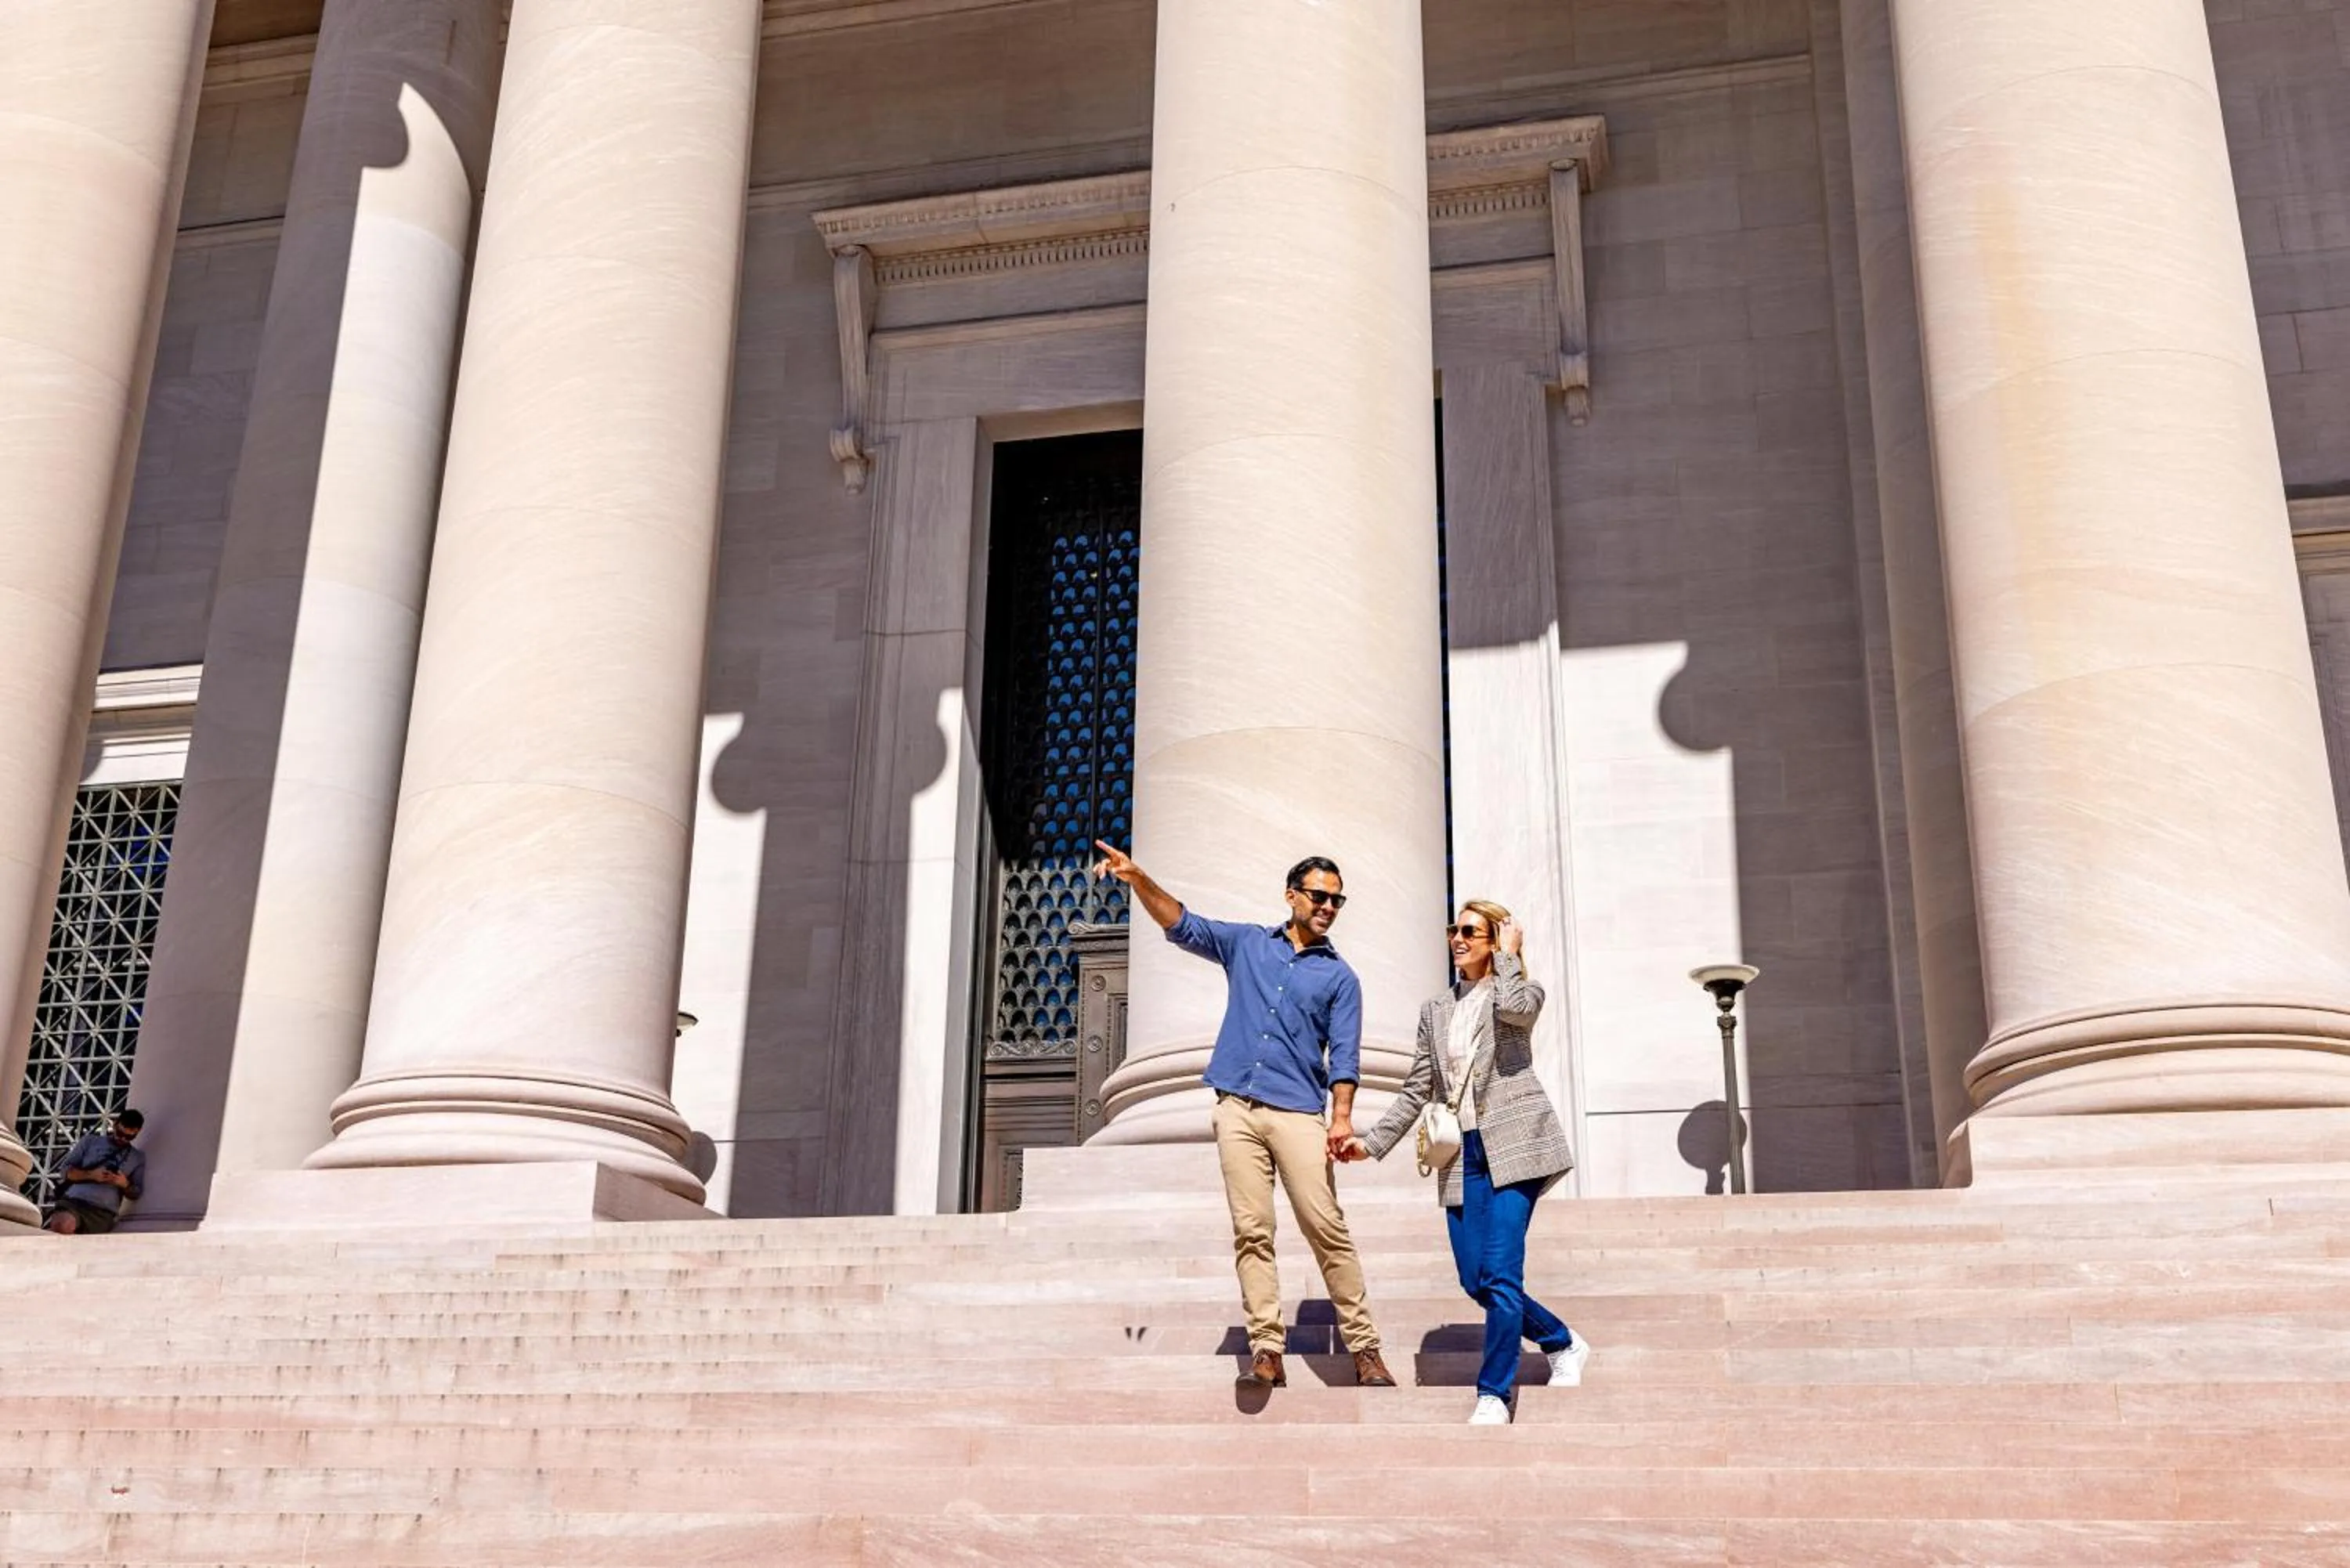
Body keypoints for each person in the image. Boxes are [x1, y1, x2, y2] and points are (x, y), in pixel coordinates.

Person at [1091, 840, 1397, 1391]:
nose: (1328, 907)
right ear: (1291, 896)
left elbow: (1345, 1056)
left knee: (1326, 1228)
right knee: (1252, 1231)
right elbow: (1186, 925)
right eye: (1320, 896)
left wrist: (1342, 1118)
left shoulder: (1340, 978)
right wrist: (1139, 880)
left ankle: (1365, 1349)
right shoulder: (1249, 945)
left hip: (1300, 1113)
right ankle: (1266, 1351)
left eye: (1337, 900)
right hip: (1236, 1108)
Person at [1342, 902, 1587, 1424]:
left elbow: (1519, 1011)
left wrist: (1511, 958)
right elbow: (1418, 1087)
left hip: (1516, 1148)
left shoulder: (1519, 989)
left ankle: (1493, 1393)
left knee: (1500, 1274)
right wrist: (1372, 1142)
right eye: (1454, 929)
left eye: (1471, 932)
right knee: (1476, 1280)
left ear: (1494, 940)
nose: (1457, 938)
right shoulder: (1436, 1009)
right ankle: (1560, 1340)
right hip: (1462, 1155)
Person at [45, 1108, 146, 1235]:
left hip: (103, 1211)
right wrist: (92, 1175)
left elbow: (136, 1192)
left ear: (138, 1132)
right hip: (75, 1200)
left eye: (130, 1137)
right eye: (120, 1133)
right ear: (114, 1124)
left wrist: (124, 1183)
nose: (123, 1139)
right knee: (63, 1225)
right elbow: (65, 1172)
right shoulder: (90, 1142)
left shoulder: (137, 1157)